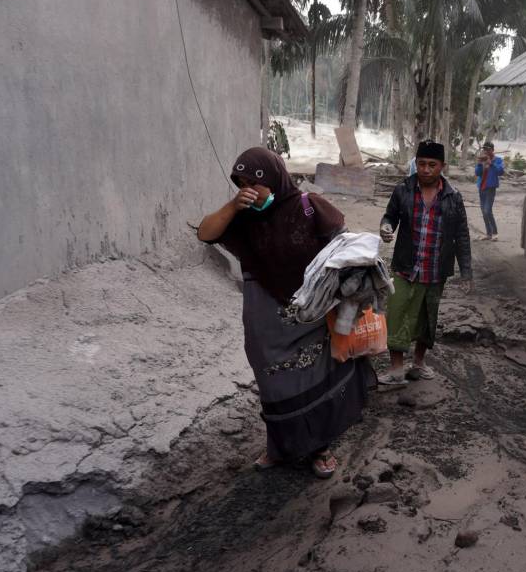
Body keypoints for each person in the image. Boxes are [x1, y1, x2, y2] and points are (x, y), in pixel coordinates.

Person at [196, 147, 374, 478]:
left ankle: (320, 448)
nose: (249, 189)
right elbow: (205, 233)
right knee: (273, 386)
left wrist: (350, 296)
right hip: (265, 321)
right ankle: (278, 448)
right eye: (242, 183)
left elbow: (345, 247)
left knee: (315, 381)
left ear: (275, 177)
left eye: (255, 182)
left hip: (310, 316)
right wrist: (234, 205)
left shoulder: (308, 206)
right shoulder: (243, 217)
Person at [378, 141, 472, 385]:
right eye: (421, 164)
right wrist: (386, 227)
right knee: (397, 313)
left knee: (426, 317)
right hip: (405, 266)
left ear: (443, 166)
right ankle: (397, 368)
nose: (426, 169)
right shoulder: (403, 190)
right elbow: (390, 216)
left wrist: (467, 272)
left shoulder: (453, 197)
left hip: (435, 269)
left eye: (432, 165)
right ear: (415, 163)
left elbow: (462, 235)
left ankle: (418, 363)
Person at [474, 141, 504, 241]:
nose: (485, 151)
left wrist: (491, 164)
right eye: (484, 149)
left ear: (492, 150)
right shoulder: (482, 159)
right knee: (484, 211)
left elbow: (500, 172)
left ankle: (495, 233)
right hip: (481, 188)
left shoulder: (498, 160)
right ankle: (488, 234)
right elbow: (477, 173)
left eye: (488, 149)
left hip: (491, 188)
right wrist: (479, 164)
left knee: (487, 210)